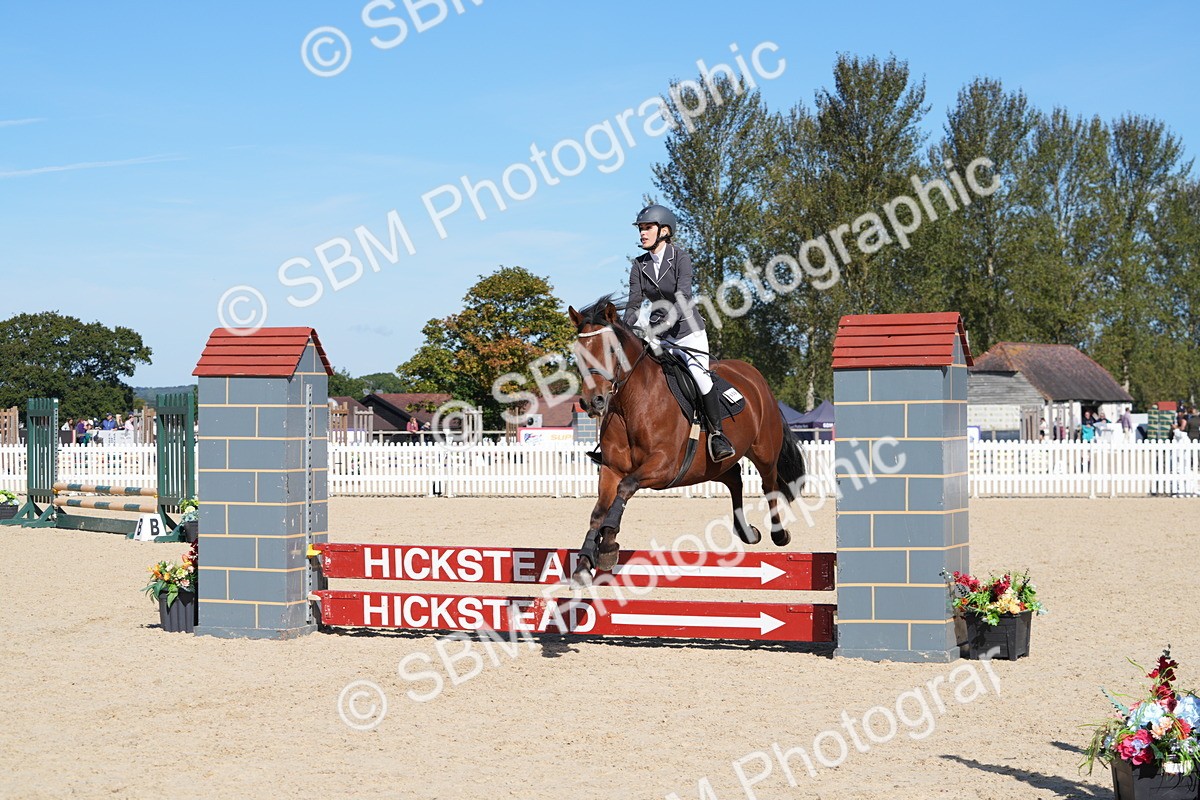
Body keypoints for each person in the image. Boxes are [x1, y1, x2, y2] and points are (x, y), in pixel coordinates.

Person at [623, 204, 733, 461]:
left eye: (647, 228)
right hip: (660, 334)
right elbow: (634, 303)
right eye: (641, 229)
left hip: (687, 330)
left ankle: (718, 435)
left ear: (664, 230)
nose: (642, 233)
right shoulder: (639, 265)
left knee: (700, 375)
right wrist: (625, 330)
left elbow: (683, 295)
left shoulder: (680, 258)